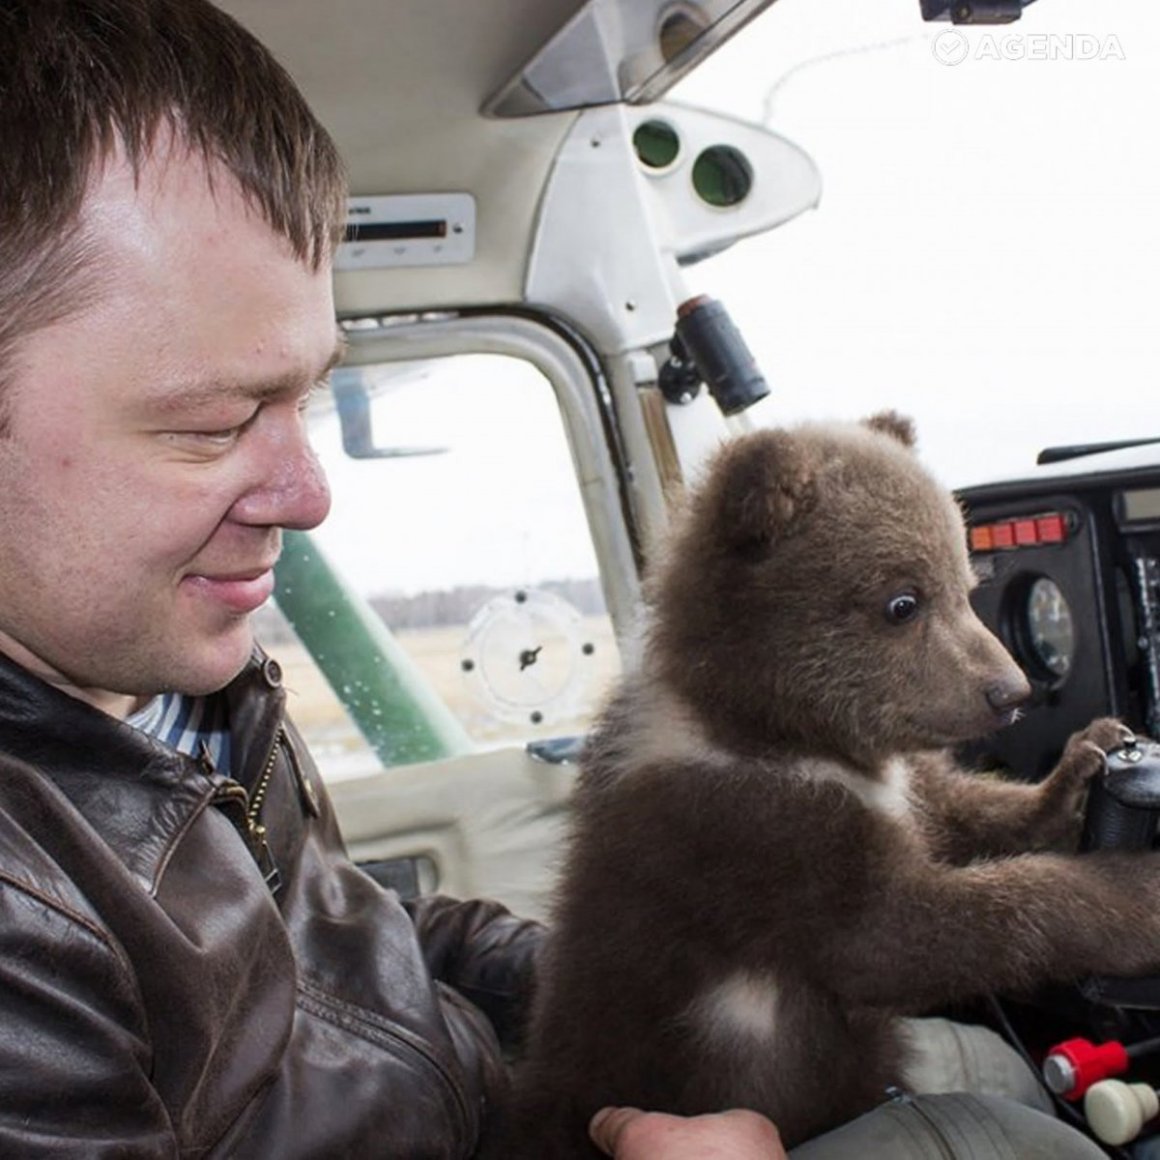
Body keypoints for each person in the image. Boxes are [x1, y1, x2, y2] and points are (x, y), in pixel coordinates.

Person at [0, 2, 1113, 1157]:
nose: (309, 492)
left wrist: (640, 965)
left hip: (523, 1098)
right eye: (211, 421)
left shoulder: (180, 692)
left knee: (993, 1071)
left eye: (306, 396)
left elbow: (354, 944)